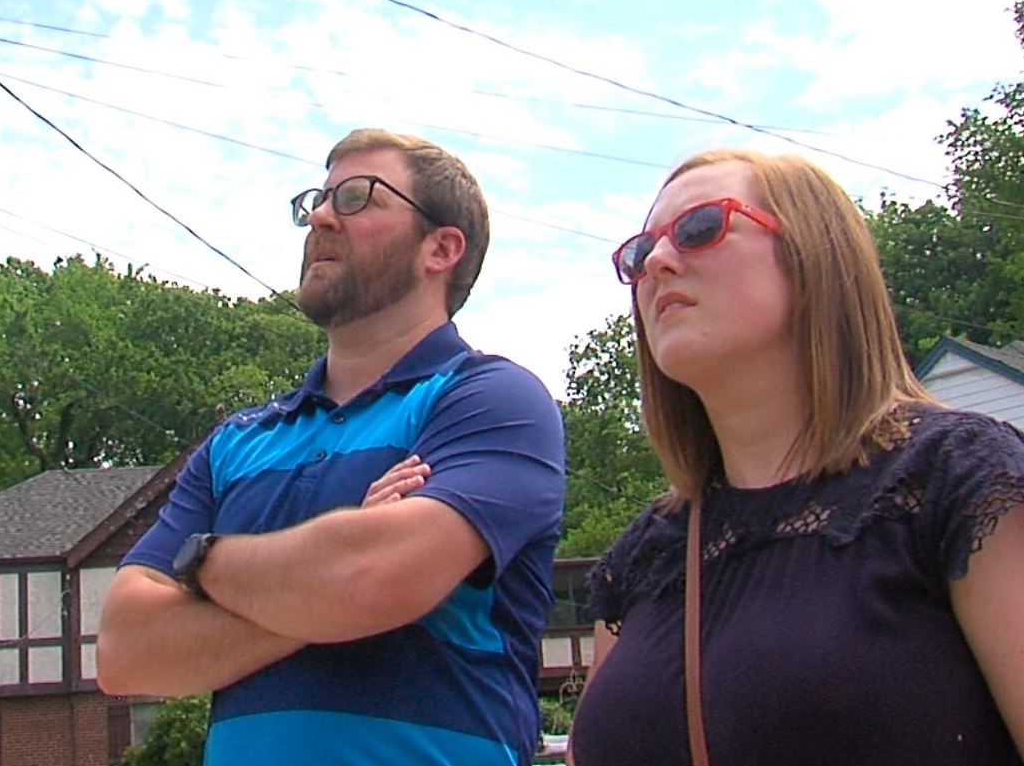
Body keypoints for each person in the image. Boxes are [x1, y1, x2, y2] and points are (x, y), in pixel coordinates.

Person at [97, 128, 566, 766]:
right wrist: (324, 587)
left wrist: (200, 563)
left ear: (441, 247)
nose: (320, 216)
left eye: (356, 198)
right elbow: (128, 653)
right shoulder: (235, 443)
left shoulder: (491, 401)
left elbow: (367, 578)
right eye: (317, 199)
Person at [567, 149, 1024, 766]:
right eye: (638, 253)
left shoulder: (962, 480)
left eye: (700, 227)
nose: (658, 262)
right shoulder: (649, 551)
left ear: (815, 259)